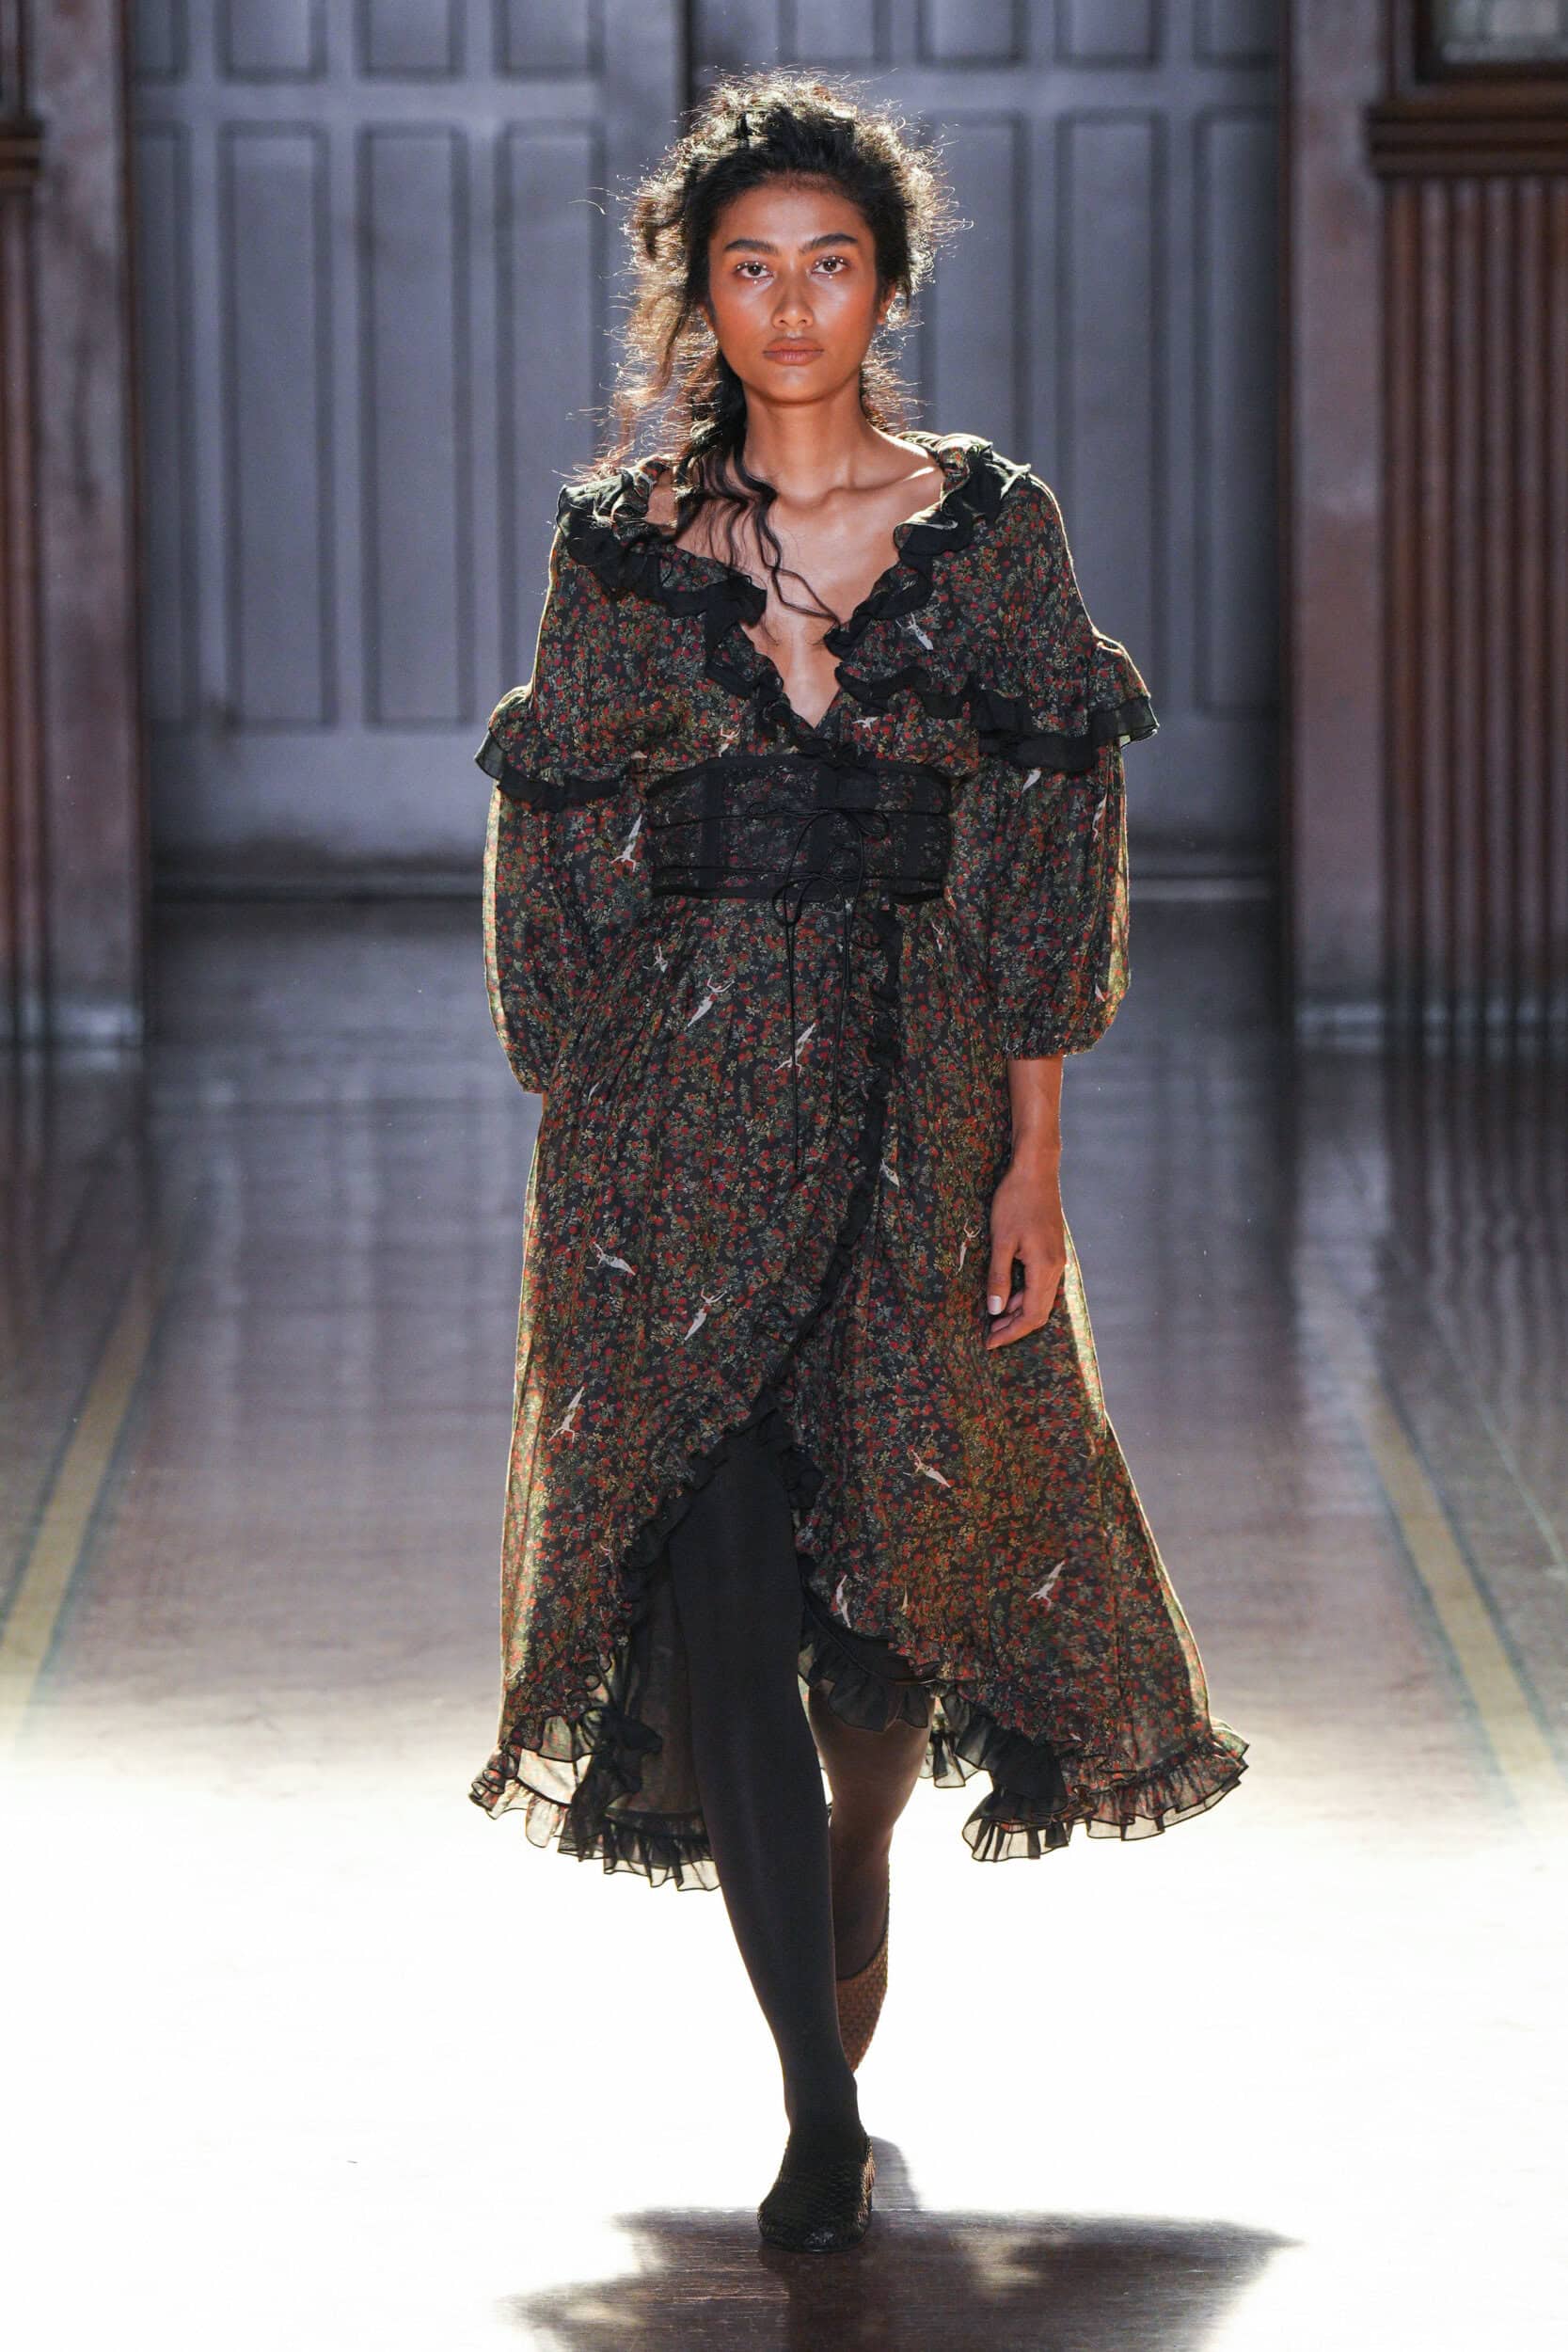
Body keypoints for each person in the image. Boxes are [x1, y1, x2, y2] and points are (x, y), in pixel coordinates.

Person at [467, 73, 1248, 2253]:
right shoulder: (617, 546)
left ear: (887, 286)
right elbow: (555, 836)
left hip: (919, 1120)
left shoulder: (989, 530)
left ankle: (863, 1844)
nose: (792, 303)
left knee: (889, 1598)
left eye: (830, 263)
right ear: (697, 295)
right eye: (751, 266)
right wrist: (583, 1120)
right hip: (677, 1133)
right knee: (719, 1576)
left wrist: (1033, 1160)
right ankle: (814, 2102)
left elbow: (1051, 844)